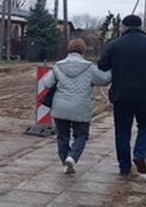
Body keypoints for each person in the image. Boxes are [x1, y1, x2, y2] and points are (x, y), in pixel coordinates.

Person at [98, 14, 146, 176]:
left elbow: (102, 65)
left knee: (122, 131)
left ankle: (124, 167)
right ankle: (139, 154)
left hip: (121, 95)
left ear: (124, 27)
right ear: (141, 27)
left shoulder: (115, 45)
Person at [43, 38, 111, 174]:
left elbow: (47, 83)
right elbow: (104, 80)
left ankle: (65, 162)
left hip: (60, 107)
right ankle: (72, 157)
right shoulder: (89, 67)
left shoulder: (58, 65)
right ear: (83, 50)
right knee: (81, 135)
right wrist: (112, 70)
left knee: (62, 136)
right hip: (81, 107)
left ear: (68, 49)